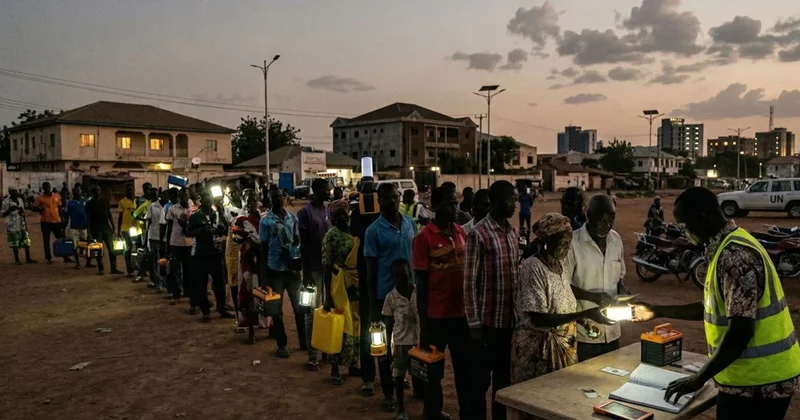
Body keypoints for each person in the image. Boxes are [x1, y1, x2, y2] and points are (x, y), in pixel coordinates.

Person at [633, 187, 800, 419]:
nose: (684, 232)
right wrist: (658, 311)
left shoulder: (735, 255)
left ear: (701, 217)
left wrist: (698, 378)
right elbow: (713, 307)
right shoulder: (725, 246)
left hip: (760, 383)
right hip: (750, 377)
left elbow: (740, 330)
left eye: (684, 226)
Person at [512, 213, 614, 384]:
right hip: (539, 352)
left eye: (569, 243)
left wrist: (582, 322)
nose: (568, 249)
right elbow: (539, 319)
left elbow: (563, 293)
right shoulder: (533, 268)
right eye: (563, 243)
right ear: (546, 242)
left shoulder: (562, 263)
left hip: (565, 344)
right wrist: (584, 315)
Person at [464, 180, 519, 420]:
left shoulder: (513, 233)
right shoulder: (479, 234)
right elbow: (468, 284)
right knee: (478, 386)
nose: (515, 205)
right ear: (497, 202)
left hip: (508, 325)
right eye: (511, 200)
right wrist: (475, 327)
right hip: (486, 327)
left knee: (503, 386)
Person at [413, 186, 469, 420]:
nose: (454, 208)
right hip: (436, 319)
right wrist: (424, 326)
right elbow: (422, 285)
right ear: (434, 207)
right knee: (434, 375)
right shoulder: (423, 238)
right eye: (448, 204)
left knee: (464, 372)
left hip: (461, 317)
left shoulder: (461, 233)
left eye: (455, 203)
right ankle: (433, 414)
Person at [365, 182, 418, 411]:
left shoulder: (410, 223)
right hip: (384, 296)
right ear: (379, 201)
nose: (393, 201)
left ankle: (415, 386)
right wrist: (374, 307)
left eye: (396, 197)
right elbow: (370, 270)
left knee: (412, 343)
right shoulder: (373, 231)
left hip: (410, 295)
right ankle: (388, 393)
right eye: (388, 198)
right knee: (384, 347)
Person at [569, 194, 629, 361]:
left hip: (612, 332)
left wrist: (623, 292)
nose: (607, 225)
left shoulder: (616, 239)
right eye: (602, 220)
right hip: (585, 333)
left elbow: (619, 278)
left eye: (611, 220)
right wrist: (592, 297)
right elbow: (562, 286)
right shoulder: (573, 243)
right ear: (588, 215)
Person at [260, 189, 305, 357]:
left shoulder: (292, 217)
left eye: (280, 197)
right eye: (275, 197)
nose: (278, 200)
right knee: (277, 310)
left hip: (291, 268)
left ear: (285, 199)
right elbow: (263, 248)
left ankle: (303, 341)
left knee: (299, 307)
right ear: (271, 200)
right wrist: (264, 274)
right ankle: (282, 344)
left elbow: (297, 239)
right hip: (275, 269)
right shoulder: (266, 221)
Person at [322, 199, 361, 385]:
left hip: (356, 283)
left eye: (344, 215)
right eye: (337, 217)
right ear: (332, 218)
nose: (341, 219)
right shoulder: (331, 236)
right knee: (339, 325)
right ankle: (335, 369)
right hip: (339, 285)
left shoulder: (356, 231)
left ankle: (354, 363)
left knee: (356, 323)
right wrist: (327, 296)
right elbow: (326, 266)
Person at [350, 179, 382, 396]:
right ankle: (368, 377)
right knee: (366, 330)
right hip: (366, 277)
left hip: (386, 279)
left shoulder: (385, 215)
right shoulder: (357, 215)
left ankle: (394, 374)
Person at [298, 178, 333, 370]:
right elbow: (303, 245)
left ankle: (326, 349)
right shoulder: (305, 212)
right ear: (317, 191)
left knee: (326, 310)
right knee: (312, 313)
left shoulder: (326, 211)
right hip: (313, 269)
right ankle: (312, 356)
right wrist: (306, 273)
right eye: (326, 190)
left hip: (327, 270)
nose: (329, 193)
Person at [186, 192, 233, 323]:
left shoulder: (216, 214)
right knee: (201, 283)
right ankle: (205, 311)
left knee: (220, 282)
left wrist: (221, 229)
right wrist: (201, 230)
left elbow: (225, 231)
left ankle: (222, 307)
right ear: (201, 201)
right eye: (205, 202)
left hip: (215, 252)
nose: (208, 204)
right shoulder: (195, 216)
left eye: (209, 202)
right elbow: (188, 232)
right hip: (201, 253)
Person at [382, 259, 419, 420]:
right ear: (392, 278)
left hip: (417, 341)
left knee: (422, 375)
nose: (400, 280)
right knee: (398, 375)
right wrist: (388, 349)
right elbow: (388, 324)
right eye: (396, 277)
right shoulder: (391, 297)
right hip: (400, 343)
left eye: (403, 275)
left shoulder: (417, 292)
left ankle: (425, 403)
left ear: (410, 274)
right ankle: (401, 409)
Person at [231, 190, 262, 343]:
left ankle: (267, 324)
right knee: (249, 293)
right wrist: (245, 236)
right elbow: (235, 239)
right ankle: (250, 329)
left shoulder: (264, 218)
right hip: (248, 260)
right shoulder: (241, 219)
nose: (251, 203)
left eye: (253, 200)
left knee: (264, 292)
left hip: (262, 260)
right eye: (248, 200)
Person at [84, 185, 121, 275]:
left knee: (112, 249)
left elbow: (109, 214)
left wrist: (113, 226)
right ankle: (101, 269)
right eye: (95, 190)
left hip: (106, 228)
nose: (97, 192)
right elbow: (88, 219)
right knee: (98, 250)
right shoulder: (89, 204)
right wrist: (89, 233)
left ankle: (113, 268)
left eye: (98, 190)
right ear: (92, 192)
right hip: (96, 230)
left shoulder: (105, 201)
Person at [165, 189, 193, 307]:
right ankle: (176, 293)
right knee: (175, 270)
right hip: (176, 242)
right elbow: (169, 228)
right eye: (182, 195)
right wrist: (167, 245)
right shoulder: (172, 209)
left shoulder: (193, 208)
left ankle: (188, 291)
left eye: (186, 195)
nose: (184, 197)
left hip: (189, 243)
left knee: (188, 269)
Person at [33, 181, 71, 264]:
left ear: (50, 187)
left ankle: (66, 257)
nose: (47, 188)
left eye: (48, 186)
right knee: (46, 240)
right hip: (45, 222)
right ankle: (48, 258)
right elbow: (34, 207)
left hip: (57, 221)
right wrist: (40, 209)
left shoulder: (56, 196)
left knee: (61, 239)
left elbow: (60, 207)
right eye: (45, 187)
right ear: (43, 188)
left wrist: (62, 218)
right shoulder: (40, 198)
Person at [224, 185, 245, 321]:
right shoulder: (226, 209)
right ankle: (239, 313)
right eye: (229, 193)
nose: (232, 195)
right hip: (233, 246)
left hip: (247, 245)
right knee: (233, 277)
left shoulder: (248, 206)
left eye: (233, 192)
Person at [1, 187, 36, 264]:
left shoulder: (20, 200)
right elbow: (2, 214)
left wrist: (22, 213)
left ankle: (28, 258)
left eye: (16, 192)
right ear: (10, 193)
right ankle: (17, 260)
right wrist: (9, 210)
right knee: (15, 242)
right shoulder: (5, 202)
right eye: (13, 192)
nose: (15, 193)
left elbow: (23, 212)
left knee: (26, 241)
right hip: (12, 225)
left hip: (21, 223)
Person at [145, 188, 167, 292]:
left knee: (164, 261)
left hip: (166, 238)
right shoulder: (152, 207)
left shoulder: (168, 207)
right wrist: (147, 237)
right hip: (154, 236)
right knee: (156, 261)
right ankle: (158, 283)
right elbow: (148, 222)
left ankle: (164, 282)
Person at [64, 187, 90, 269]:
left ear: (81, 191)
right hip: (74, 227)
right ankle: (78, 263)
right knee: (74, 246)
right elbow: (67, 216)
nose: (76, 192)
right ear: (72, 192)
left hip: (84, 226)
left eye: (78, 190)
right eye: (74, 191)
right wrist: (63, 227)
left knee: (86, 244)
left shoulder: (86, 201)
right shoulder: (70, 203)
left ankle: (87, 262)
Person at [118, 185, 138, 277]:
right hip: (125, 229)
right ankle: (129, 270)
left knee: (138, 249)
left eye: (132, 190)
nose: (130, 192)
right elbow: (120, 217)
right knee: (128, 248)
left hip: (136, 229)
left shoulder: (136, 201)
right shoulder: (122, 202)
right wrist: (118, 231)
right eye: (128, 190)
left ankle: (139, 268)